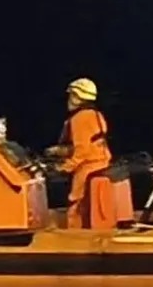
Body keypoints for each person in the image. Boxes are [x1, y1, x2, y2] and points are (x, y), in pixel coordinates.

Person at [46, 78, 114, 229]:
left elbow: (82, 151)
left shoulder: (79, 119)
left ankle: (74, 236)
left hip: (88, 166)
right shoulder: (96, 115)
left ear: (78, 97)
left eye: (71, 96)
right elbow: (91, 143)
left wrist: (64, 168)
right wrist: (58, 151)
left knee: (75, 203)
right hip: (102, 161)